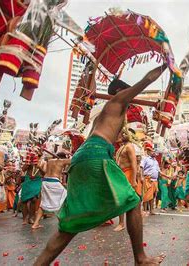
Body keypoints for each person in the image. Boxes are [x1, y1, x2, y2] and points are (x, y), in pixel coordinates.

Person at [35, 65, 167, 265]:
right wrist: (167, 64)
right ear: (120, 91)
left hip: (83, 158)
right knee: (132, 201)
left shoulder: (103, 115)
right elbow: (147, 79)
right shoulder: (119, 99)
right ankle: (140, 259)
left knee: (71, 223)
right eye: (128, 91)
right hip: (96, 155)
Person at [31, 152, 71, 230]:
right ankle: (62, 221)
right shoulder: (63, 161)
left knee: (43, 203)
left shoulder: (50, 161)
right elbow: (74, 160)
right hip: (54, 182)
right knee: (66, 198)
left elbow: (45, 171)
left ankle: (35, 224)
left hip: (45, 181)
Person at [114, 127, 140, 231]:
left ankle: (124, 223)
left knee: (126, 199)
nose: (120, 135)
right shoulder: (122, 147)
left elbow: (134, 164)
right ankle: (122, 223)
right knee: (121, 199)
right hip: (121, 175)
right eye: (121, 133)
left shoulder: (129, 147)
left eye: (123, 134)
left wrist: (133, 180)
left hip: (128, 174)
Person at [20, 149, 44, 225]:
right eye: (35, 153)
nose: (36, 155)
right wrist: (27, 163)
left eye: (38, 153)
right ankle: (24, 219)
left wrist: (39, 167)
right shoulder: (29, 160)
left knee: (34, 199)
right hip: (28, 180)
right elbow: (23, 169)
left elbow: (44, 173)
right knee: (24, 200)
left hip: (37, 181)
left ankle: (31, 218)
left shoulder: (43, 162)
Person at [141, 143, 160, 216]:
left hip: (155, 180)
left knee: (153, 196)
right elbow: (141, 167)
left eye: (154, 152)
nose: (154, 153)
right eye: (152, 151)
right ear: (148, 152)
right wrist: (142, 177)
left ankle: (151, 210)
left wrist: (168, 177)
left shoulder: (156, 161)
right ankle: (145, 210)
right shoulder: (145, 159)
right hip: (148, 179)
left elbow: (159, 171)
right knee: (146, 196)